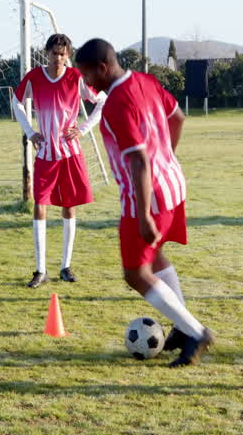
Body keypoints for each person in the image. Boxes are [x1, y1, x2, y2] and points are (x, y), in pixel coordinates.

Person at [74, 38, 215, 366]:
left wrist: (143, 214)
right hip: (172, 183)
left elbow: (138, 160)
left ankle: (195, 332)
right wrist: (167, 156)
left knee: (136, 273)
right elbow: (177, 117)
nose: (86, 82)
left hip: (147, 195)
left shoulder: (116, 104)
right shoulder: (147, 81)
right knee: (155, 255)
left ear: (103, 68)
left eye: (87, 75)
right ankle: (182, 329)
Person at [12, 33, 106, 287]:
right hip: (45, 154)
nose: (58, 58)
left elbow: (102, 101)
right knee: (39, 204)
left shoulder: (76, 78)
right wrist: (30, 132)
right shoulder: (34, 77)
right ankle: (40, 270)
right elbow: (16, 102)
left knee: (69, 205)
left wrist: (83, 129)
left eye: (63, 54)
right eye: (54, 53)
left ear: (68, 56)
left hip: (70, 153)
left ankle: (65, 266)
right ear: (47, 53)